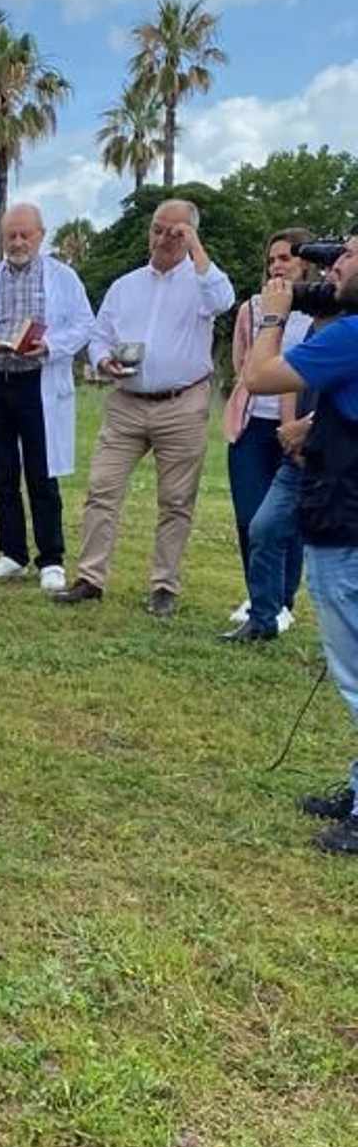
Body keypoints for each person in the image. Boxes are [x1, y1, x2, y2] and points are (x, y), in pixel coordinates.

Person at [54, 199, 234, 615]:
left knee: (176, 499)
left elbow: (224, 299)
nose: (163, 238)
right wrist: (103, 360)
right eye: (157, 229)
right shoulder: (125, 286)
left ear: (190, 235)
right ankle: (90, 578)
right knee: (102, 489)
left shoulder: (202, 283)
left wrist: (195, 247)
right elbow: (99, 334)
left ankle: (164, 586)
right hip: (127, 402)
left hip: (181, 402)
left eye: (175, 232)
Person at [241, 244, 358, 854]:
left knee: (355, 671)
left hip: (347, 520)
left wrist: (272, 315)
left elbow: (259, 377)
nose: (333, 266)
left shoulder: (351, 335)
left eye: (349, 256)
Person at [0, 202, 95, 593]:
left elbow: (85, 325)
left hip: (38, 382)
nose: (17, 243)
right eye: (10, 236)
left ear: (40, 236)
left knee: (42, 473)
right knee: (2, 473)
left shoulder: (63, 279)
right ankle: (12, 552)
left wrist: (51, 346)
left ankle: (51, 558)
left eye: (24, 235)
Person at [220, 229, 313, 639]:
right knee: (250, 517)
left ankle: (281, 603)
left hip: (296, 428)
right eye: (272, 259)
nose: (277, 266)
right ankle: (259, 596)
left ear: (306, 263)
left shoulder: (321, 312)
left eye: (286, 258)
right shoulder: (252, 309)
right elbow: (244, 365)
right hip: (252, 423)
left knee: (283, 519)